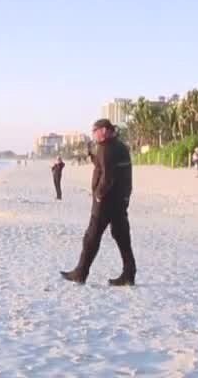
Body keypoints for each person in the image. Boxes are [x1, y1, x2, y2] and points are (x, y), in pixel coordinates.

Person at [60, 119, 136, 287]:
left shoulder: (106, 148)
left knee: (91, 237)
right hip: (120, 199)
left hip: (107, 202)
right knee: (122, 236)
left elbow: (108, 176)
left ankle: (80, 272)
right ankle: (129, 273)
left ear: (104, 130)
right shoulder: (119, 147)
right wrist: (93, 157)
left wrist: (99, 194)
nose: (93, 134)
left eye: (94, 130)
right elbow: (108, 167)